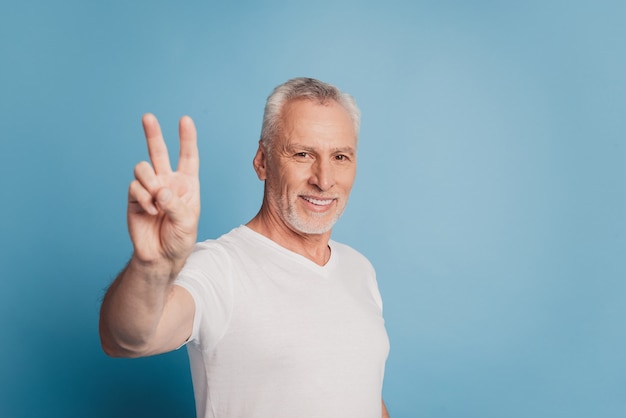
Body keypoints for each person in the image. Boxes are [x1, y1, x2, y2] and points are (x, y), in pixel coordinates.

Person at [99, 77, 390, 418]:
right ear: (263, 161)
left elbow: (361, 393)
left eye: (340, 156)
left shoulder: (360, 269)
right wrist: (152, 266)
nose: (323, 179)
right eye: (302, 154)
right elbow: (126, 339)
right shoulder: (220, 267)